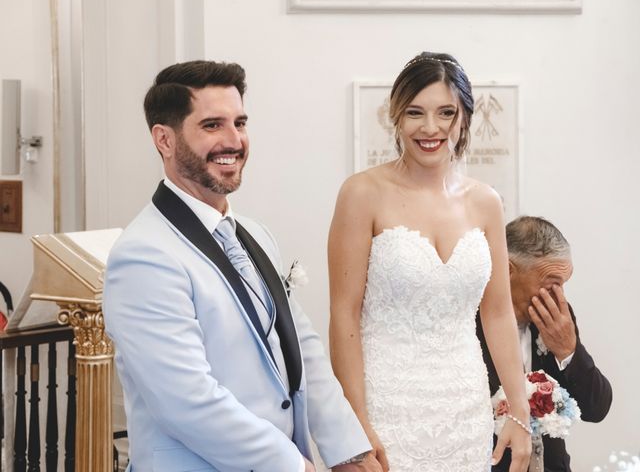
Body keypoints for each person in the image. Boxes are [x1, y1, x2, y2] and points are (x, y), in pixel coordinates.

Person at [103, 60, 380, 472]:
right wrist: (295, 465)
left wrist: (347, 450)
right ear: (164, 139)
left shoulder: (253, 233)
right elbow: (187, 401)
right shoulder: (144, 255)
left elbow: (301, 348)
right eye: (212, 125)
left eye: (240, 123)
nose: (234, 140)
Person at [328, 51, 532, 472]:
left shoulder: (486, 202)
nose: (430, 128)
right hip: (386, 406)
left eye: (445, 113)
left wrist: (519, 411)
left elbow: (496, 314)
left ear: (463, 119)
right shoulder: (362, 193)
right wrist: (354, 424)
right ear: (396, 117)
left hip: (464, 407)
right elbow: (343, 314)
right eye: (415, 113)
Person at [476, 216, 613, 471]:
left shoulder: (557, 318)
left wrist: (568, 349)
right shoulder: (469, 320)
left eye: (563, 284)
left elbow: (597, 408)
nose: (559, 295)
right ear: (507, 270)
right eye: (552, 283)